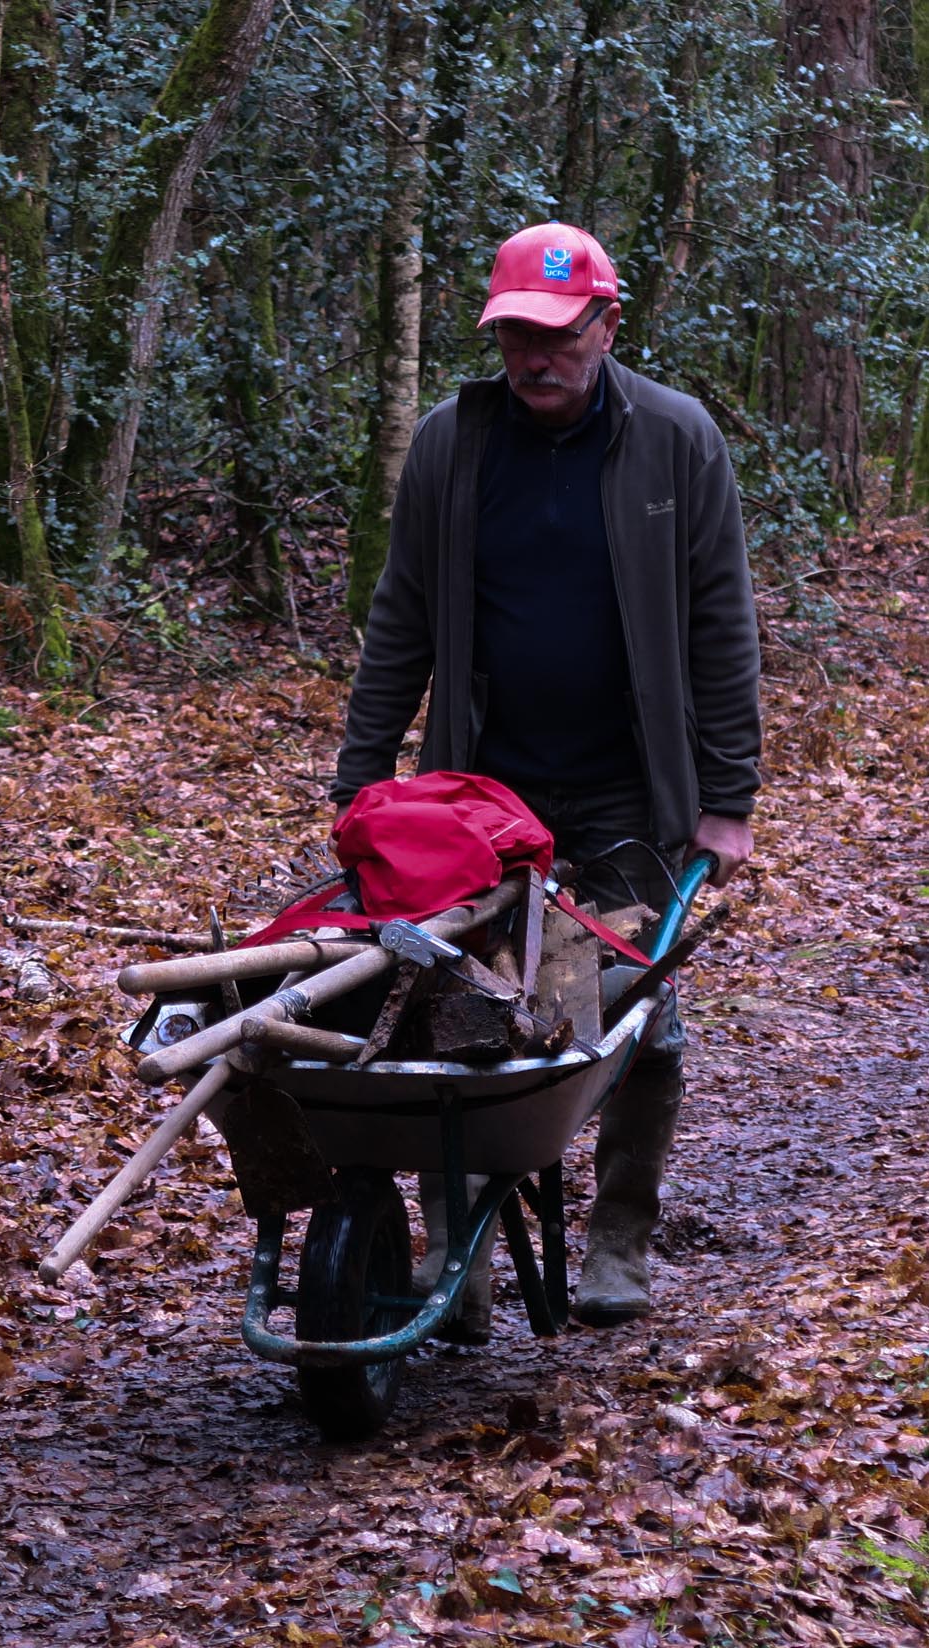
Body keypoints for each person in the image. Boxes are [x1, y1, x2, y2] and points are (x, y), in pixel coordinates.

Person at [331, 222, 761, 1334]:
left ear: (608, 325)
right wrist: (361, 774)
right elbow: (401, 620)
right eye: (519, 333)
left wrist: (728, 799)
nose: (538, 357)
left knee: (634, 1020)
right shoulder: (452, 444)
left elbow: (722, 626)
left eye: (562, 335)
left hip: (632, 790)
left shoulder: (675, 440)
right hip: (485, 797)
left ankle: (618, 1236)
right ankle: (455, 1256)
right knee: (454, 1020)